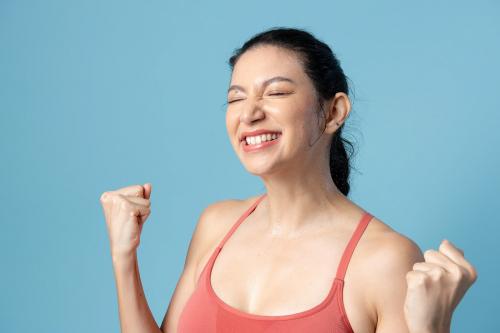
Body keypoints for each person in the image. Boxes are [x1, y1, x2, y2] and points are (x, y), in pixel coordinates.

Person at [99, 27, 477, 333]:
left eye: (276, 92)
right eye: (235, 98)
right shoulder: (215, 225)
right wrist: (123, 257)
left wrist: (431, 328)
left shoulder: (385, 260)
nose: (249, 114)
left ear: (333, 112)